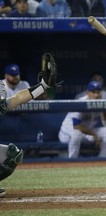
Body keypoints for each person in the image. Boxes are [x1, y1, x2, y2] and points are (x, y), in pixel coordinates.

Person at [0, 52, 59, 197]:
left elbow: (19, 98)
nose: (1, 102)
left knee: (12, 154)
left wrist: (43, 86)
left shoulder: (2, 103)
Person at [59, 81, 106, 158]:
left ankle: (103, 159)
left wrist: (103, 110)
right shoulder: (81, 102)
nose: (96, 95)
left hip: (86, 133)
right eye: (93, 92)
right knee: (76, 134)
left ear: (101, 93)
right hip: (68, 133)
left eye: (98, 92)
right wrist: (94, 135)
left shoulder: (101, 103)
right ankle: (72, 161)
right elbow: (76, 126)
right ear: (88, 93)